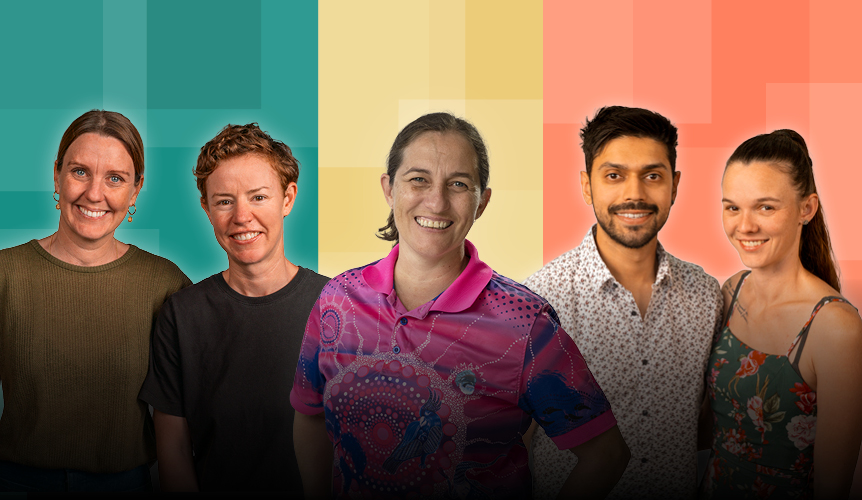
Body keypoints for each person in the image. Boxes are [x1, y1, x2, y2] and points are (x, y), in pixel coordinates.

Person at [291, 112, 630, 499]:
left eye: (458, 184)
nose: (436, 201)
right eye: (418, 179)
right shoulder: (337, 299)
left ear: (481, 202)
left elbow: (605, 454)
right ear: (389, 188)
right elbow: (309, 414)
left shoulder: (525, 323)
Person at [525, 106, 723, 500]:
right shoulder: (541, 300)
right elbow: (513, 440)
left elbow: (708, 421)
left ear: (675, 185)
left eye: (652, 176)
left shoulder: (707, 295)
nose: (634, 193)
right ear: (587, 186)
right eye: (614, 176)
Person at [0, 110, 190, 491]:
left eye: (115, 178)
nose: (94, 194)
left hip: (128, 485)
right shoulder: (6, 274)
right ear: (56, 174)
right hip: (15, 483)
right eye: (80, 171)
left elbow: (190, 410)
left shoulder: (164, 283)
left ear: (136, 189)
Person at [139, 123, 328, 492]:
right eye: (225, 200)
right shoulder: (181, 316)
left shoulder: (337, 306)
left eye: (258, 197)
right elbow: (173, 448)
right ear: (206, 208)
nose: (242, 217)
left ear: (288, 198)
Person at [703, 129, 862, 499]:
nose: (745, 226)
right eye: (732, 207)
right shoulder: (732, 291)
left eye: (766, 207)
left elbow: (831, 486)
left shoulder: (835, 328)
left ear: (806, 208)